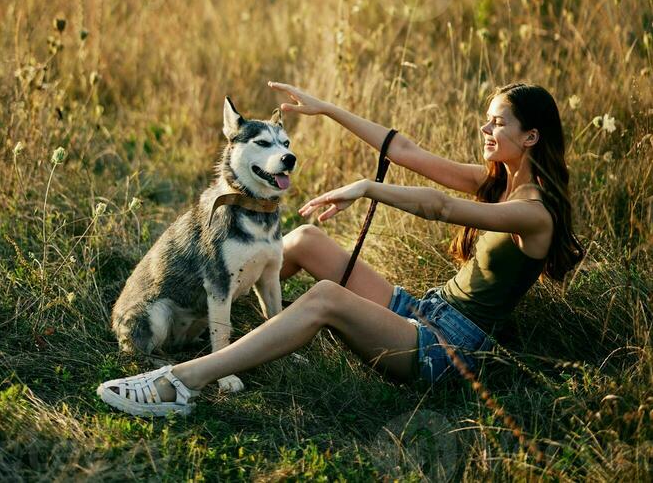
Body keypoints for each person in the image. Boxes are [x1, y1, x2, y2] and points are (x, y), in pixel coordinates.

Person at [96, 80, 584, 417]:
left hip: (445, 350)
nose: (485, 130)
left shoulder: (533, 212)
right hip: (427, 310)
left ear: (531, 136)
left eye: (497, 124)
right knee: (306, 241)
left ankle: (181, 382)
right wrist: (326, 108)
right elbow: (404, 151)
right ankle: (211, 315)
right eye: (487, 120)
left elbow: (438, 207)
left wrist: (367, 188)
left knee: (325, 297)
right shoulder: (496, 182)